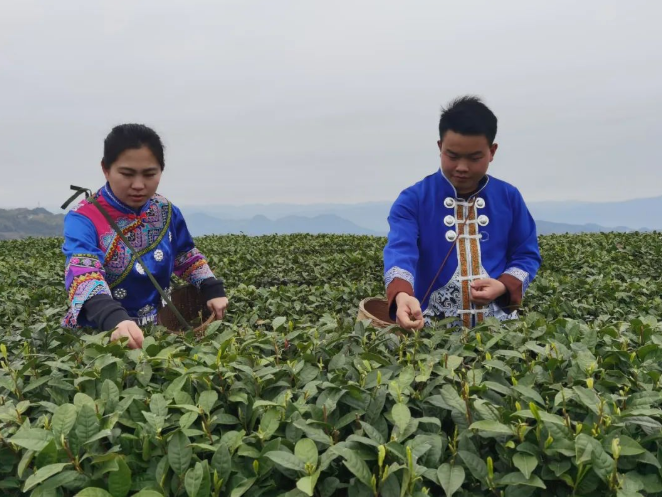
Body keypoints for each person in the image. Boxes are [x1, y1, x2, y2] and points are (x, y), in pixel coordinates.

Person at [61, 124, 228, 348]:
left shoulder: (165, 210)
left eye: (150, 174)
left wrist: (211, 288)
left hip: (157, 328)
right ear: (106, 169)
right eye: (127, 174)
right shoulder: (84, 218)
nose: (139, 185)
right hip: (101, 334)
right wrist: (113, 318)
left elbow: (185, 255)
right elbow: (84, 274)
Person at [383, 96, 541, 330]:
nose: (462, 167)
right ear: (440, 148)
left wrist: (503, 286)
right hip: (430, 335)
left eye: (475, 158)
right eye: (453, 156)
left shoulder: (509, 197)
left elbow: (526, 254)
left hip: (500, 333)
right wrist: (402, 294)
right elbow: (400, 250)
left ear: (492, 151)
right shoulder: (413, 199)